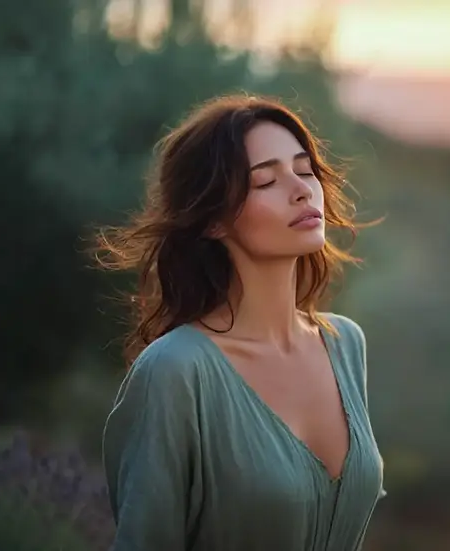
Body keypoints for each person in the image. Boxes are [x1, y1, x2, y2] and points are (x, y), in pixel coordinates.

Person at [96, 94, 385, 551]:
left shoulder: (345, 344)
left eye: (305, 170)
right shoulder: (175, 371)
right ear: (213, 220)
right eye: (266, 180)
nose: (301, 189)